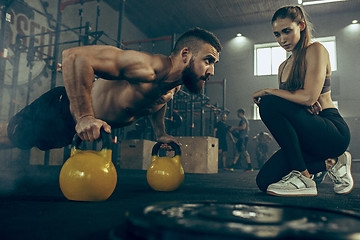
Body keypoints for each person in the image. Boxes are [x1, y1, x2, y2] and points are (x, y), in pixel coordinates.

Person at [0, 28, 222, 150]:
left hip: (76, 128)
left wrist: (160, 133)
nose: (211, 71)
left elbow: (156, 105)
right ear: (185, 55)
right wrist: (85, 116)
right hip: (61, 109)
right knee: (10, 136)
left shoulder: (173, 87)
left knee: (18, 143)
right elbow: (74, 57)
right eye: (208, 60)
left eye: (214, 64)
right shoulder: (148, 67)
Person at [253, 6, 352, 197]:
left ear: (301, 26)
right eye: (277, 34)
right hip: (307, 136)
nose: (282, 39)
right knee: (264, 181)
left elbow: (308, 98)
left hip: (332, 130)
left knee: (268, 101)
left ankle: (304, 177)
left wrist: (268, 91)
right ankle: (332, 162)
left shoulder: (315, 50)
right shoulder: (283, 67)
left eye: (287, 31)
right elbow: (290, 110)